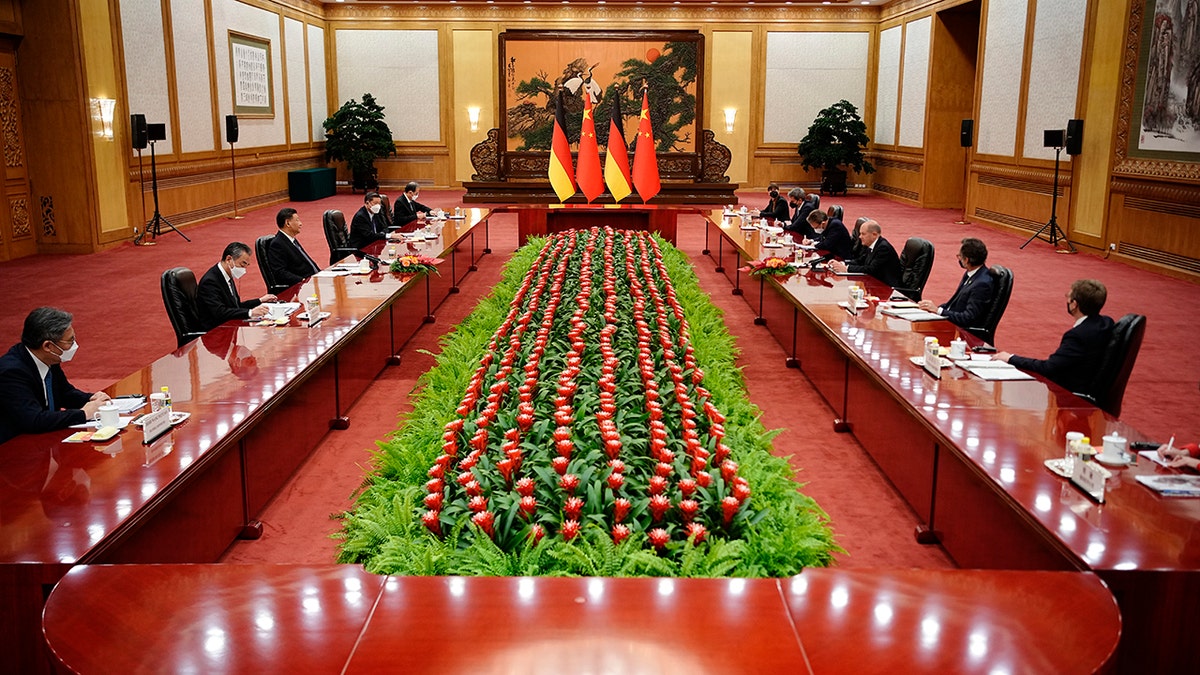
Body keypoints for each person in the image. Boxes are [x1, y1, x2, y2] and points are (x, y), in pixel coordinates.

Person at [0, 307, 111, 444]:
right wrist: (83, 414)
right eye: (69, 341)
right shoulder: (11, 372)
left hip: (44, 441)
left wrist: (91, 399)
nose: (74, 345)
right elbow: (33, 420)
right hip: (14, 448)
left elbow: (65, 393)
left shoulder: (48, 358)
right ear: (48, 346)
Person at [995, 279, 1115, 395]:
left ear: (1074, 304)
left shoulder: (1077, 336)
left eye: (1068, 296)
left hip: (1069, 394)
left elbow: (1049, 368)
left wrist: (1011, 358)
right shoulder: (1107, 323)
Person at [917, 238, 994, 336]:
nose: (958, 258)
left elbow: (968, 318)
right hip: (950, 322)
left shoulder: (982, 284)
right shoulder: (971, 273)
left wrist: (938, 311)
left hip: (961, 333)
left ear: (966, 260)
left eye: (959, 256)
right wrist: (932, 309)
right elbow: (953, 304)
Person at [196, 242, 277, 332]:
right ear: (229, 259)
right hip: (215, 332)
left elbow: (235, 306)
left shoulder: (227, 275)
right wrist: (250, 313)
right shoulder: (210, 281)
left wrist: (259, 301)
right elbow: (219, 312)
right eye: (242, 264)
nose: (244, 269)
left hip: (228, 328)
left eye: (246, 266)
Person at [828, 220, 903, 287]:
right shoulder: (871, 244)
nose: (860, 237)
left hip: (887, 287)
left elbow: (871, 270)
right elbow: (860, 261)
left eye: (863, 234)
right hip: (874, 282)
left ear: (874, 235)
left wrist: (846, 268)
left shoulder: (883, 248)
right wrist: (841, 263)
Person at [266, 208, 321, 289]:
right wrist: (302, 280)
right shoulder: (277, 244)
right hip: (301, 286)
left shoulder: (291, 240)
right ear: (288, 223)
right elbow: (280, 272)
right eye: (297, 220)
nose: (301, 223)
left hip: (313, 279)